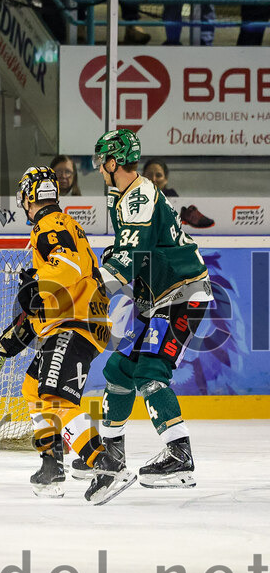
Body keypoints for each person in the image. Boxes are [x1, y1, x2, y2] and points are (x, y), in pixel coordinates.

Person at [90, 129, 213, 500]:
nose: (99, 168)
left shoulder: (138, 197)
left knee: (150, 372)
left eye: (102, 161)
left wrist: (87, 290)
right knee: (119, 370)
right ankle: (111, 457)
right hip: (156, 298)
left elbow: (129, 259)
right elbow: (130, 250)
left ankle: (180, 455)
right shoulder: (123, 194)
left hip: (183, 294)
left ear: (114, 162)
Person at [0, 166, 111, 500]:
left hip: (77, 323)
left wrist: (36, 284)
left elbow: (68, 268)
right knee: (33, 388)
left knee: (56, 399)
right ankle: (51, 465)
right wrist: (23, 330)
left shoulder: (49, 225)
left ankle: (104, 463)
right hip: (76, 320)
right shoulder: (60, 223)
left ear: (27, 197)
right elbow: (59, 291)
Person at [142, 158, 214, 229]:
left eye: (158, 175)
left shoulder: (172, 195)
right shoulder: (135, 195)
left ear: (165, 179)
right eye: (149, 174)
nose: (153, 179)